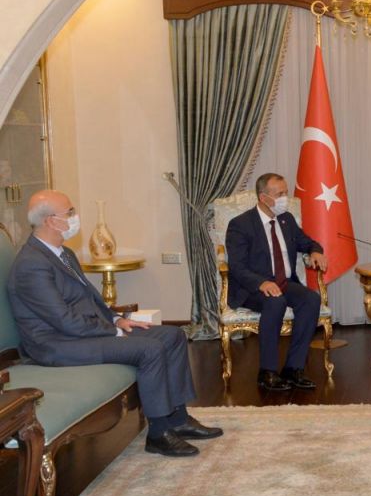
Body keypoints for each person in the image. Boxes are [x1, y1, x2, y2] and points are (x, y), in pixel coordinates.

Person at [8, 190, 222, 457]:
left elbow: (90, 298)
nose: (75, 217)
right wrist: (114, 331)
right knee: (149, 349)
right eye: (69, 212)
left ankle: (178, 420)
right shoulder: (31, 264)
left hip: (80, 333)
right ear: (51, 221)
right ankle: (158, 434)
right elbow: (64, 321)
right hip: (56, 345)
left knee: (173, 336)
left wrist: (117, 318)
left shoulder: (63, 253)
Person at [225, 173, 326, 392]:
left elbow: (308, 242)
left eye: (285, 193)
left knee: (311, 299)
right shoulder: (240, 225)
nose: (285, 199)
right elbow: (237, 267)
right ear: (263, 198)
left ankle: (293, 368)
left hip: (284, 283)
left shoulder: (286, 219)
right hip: (252, 288)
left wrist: (315, 251)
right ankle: (267, 372)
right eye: (280, 194)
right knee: (275, 302)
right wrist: (261, 283)